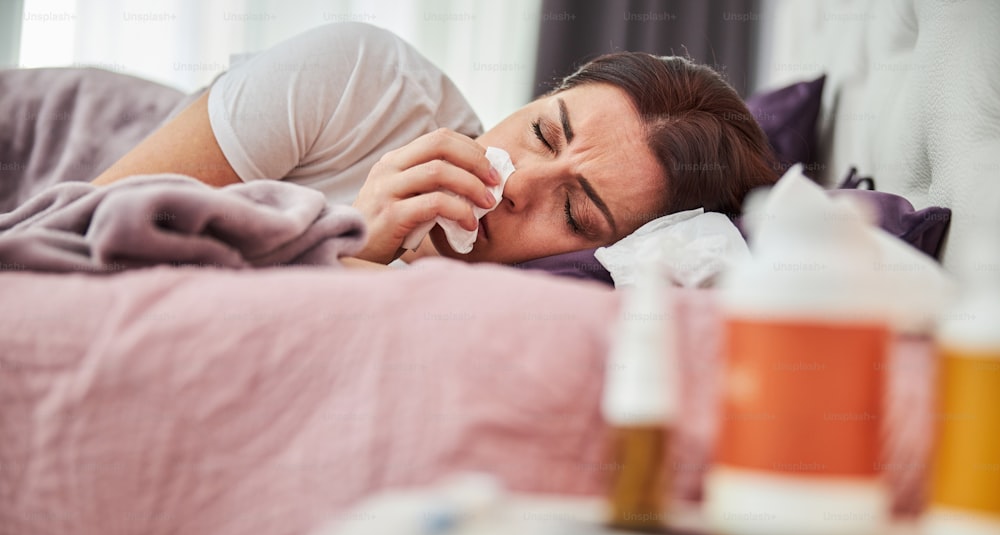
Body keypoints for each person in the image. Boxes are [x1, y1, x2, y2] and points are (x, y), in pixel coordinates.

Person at [92, 22, 778, 268]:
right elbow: (88, 227)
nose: (517, 186)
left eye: (573, 213)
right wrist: (349, 239)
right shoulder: (356, 75)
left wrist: (356, 263)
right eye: (543, 132)